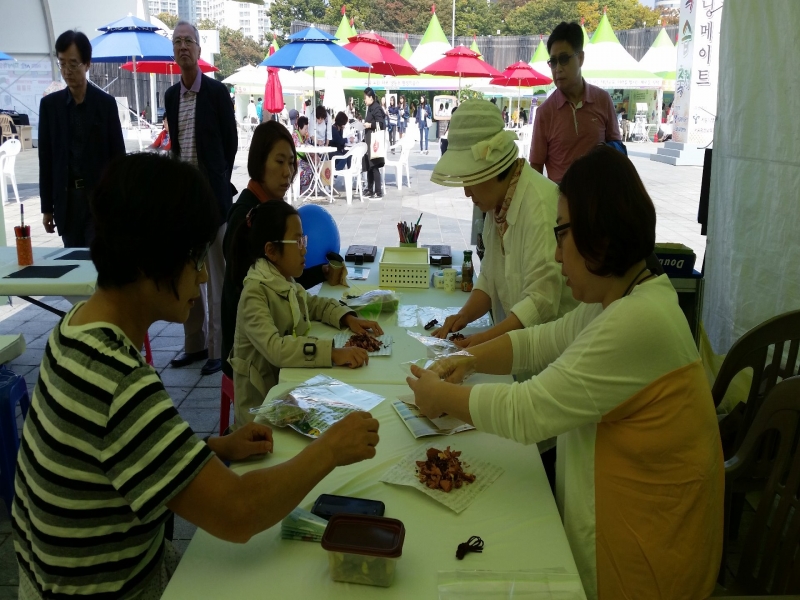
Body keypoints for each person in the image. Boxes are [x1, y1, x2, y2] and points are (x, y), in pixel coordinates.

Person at [12, 153, 381, 599]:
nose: (204, 275)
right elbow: (238, 512)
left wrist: (208, 449)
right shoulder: (117, 378)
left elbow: (112, 455)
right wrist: (329, 449)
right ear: (151, 260)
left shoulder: (75, 331)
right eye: (193, 259)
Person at [407, 145, 723, 600]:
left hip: (642, 569)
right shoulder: (625, 297)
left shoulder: (638, 321)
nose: (557, 256)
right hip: (627, 539)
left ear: (600, 232)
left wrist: (439, 397)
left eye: (562, 235)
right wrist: (471, 360)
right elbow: (543, 341)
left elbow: (529, 410)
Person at [431, 99, 576, 351]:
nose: (466, 193)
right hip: (517, 351)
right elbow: (489, 276)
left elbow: (540, 304)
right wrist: (462, 317)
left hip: (549, 355)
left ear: (491, 170)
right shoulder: (497, 203)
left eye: (470, 180)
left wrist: (480, 343)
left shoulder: (540, 207)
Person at [228, 201, 383, 427]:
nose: (305, 249)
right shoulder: (255, 293)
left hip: (287, 394)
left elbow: (312, 304)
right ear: (271, 250)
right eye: (298, 241)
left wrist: (348, 317)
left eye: (304, 240)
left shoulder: (282, 279)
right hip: (260, 413)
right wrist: (332, 352)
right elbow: (276, 348)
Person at [221, 122, 345, 380]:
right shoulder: (246, 217)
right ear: (259, 162)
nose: (287, 172)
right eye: (279, 162)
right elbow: (263, 289)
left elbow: (284, 280)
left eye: (291, 163)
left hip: (278, 338)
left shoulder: (271, 209)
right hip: (252, 359)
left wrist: (321, 273)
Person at [165, 21, 237, 377]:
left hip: (214, 202)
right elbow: (177, 149)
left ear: (198, 49)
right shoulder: (170, 96)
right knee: (187, 275)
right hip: (185, 203)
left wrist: (220, 182)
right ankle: (193, 344)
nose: (183, 47)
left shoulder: (217, 93)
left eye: (188, 41)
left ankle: (218, 349)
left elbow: (231, 143)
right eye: (177, 42)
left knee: (217, 278)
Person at [38, 29, 125, 248]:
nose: (67, 71)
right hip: (67, 202)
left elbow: (118, 158)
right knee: (72, 263)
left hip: (98, 201)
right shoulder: (50, 106)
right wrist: (47, 208)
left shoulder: (105, 105)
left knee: (97, 262)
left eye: (73, 64)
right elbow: (46, 160)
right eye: (62, 63)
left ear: (87, 64)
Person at [529, 21, 621, 183]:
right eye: (553, 62)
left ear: (580, 58)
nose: (558, 69)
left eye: (564, 59)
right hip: (561, 202)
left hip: (600, 201)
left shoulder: (602, 100)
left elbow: (617, 151)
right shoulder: (545, 112)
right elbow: (536, 167)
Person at [362, 87, 385, 198]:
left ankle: (378, 191)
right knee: (369, 166)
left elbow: (381, 124)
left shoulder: (376, 108)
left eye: (365, 98)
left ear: (371, 97)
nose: (364, 100)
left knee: (374, 166)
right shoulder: (370, 108)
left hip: (374, 141)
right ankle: (370, 189)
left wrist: (370, 125)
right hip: (368, 140)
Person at [292, 116, 313, 192]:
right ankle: (298, 184)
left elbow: (308, 146)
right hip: (297, 160)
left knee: (316, 164)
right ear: (299, 128)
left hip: (304, 159)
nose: (306, 131)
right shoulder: (295, 135)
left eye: (307, 129)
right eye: (305, 129)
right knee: (310, 168)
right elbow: (299, 148)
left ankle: (312, 187)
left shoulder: (305, 136)